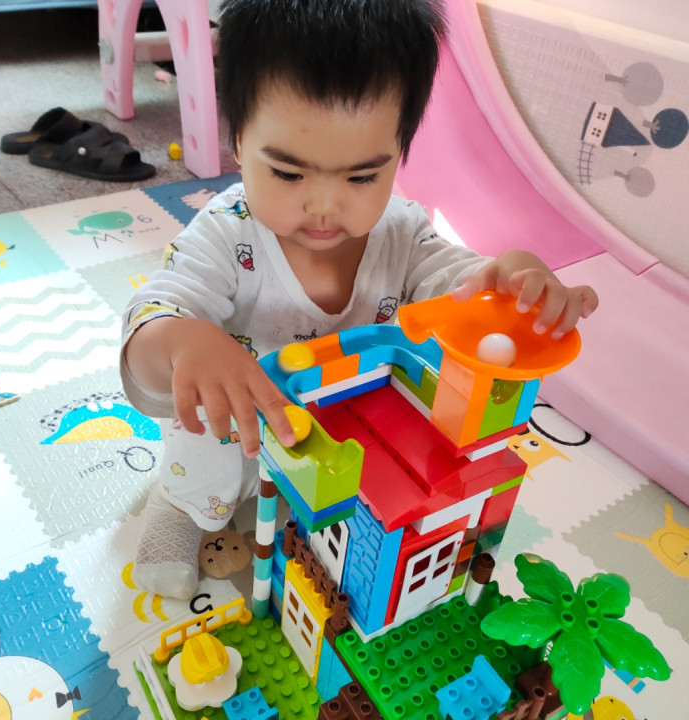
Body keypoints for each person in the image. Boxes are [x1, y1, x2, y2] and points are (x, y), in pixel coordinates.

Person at [120, 0, 598, 600]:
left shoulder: (403, 232)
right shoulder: (225, 234)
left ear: (400, 154)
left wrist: (514, 283)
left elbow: (463, 285)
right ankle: (181, 506)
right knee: (206, 445)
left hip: (343, 421)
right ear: (239, 141)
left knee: (392, 476)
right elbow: (153, 316)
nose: (325, 206)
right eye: (289, 174)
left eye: (362, 177)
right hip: (241, 421)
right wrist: (183, 342)